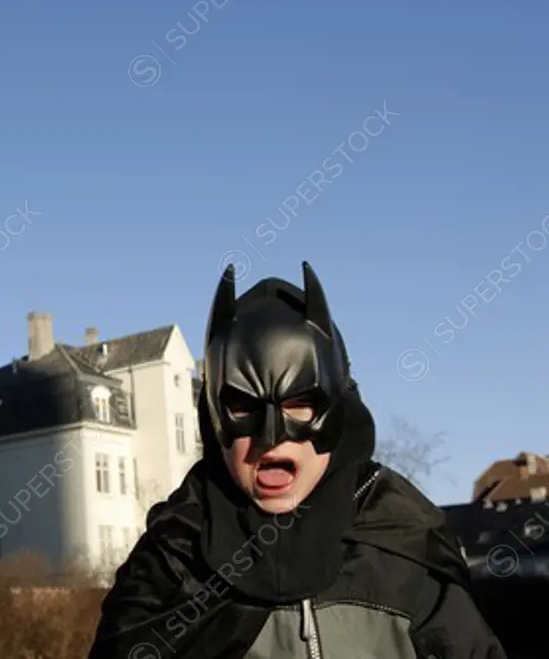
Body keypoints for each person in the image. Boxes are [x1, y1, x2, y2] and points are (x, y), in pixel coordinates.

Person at [87, 262, 506, 659]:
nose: (270, 438)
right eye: (243, 406)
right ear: (212, 418)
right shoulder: (170, 567)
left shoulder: (404, 547)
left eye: (300, 403)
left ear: (337, 406)